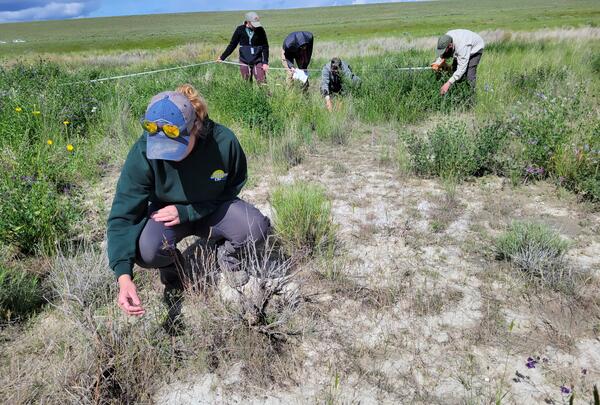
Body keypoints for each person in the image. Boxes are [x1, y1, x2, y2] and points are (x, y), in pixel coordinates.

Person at [107, 84, 271, 317]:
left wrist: (189, 211)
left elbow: (231, 187)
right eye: (160, 147)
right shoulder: (143, 151)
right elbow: (124, 214)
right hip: (167, 215)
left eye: (174, 147)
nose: (166, 154)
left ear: (196, 127)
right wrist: (123, 278)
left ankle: (227, 256)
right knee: (147, 250)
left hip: (211, 207)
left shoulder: (223, 143)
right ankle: (175, 273)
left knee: (255, 228)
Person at [217, 11, 270, 84]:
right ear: (248, 22)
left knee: (262, 82)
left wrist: (265, 62)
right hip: (244, 61)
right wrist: (222, 57)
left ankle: (265, 96)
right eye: (254, 24)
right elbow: (232, 45)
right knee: (247, 82)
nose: (256, 26)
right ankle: (248, 95)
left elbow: (265, 46)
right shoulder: (240, 29)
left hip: (257, 61)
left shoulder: (260, 30)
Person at [432, 29, 485, 95]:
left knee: (469, 74)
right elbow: (443, 54)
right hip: (461, 45)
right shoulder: (446, 39)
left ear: (450, 45)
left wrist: (448, 84)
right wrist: (438, 63)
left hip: (475, 48)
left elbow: (461, 68)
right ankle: (457, 92)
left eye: (444, 50)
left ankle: (471, 97)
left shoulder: (462, 47)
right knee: (454, 70)